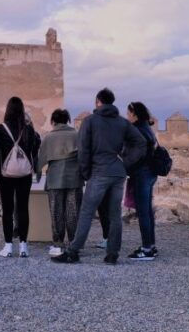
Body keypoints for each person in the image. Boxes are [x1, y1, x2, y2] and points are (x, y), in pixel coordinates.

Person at [51, 88, 146, 265]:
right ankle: (112, 254)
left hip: (99, 172)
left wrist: (86, 173)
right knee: (114, 214)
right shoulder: (122, 123)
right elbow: (141, 143)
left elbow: (84, 150)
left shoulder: (90, 121)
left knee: (86, 213)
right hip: (118, 173)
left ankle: (73, 252)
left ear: (98, 102)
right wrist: (125, 162)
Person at [0, 97, 41, 258]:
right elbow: (35, 149)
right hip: (24, 173)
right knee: (23, 209)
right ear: (22, 111)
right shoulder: (28, 130)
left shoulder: (0, 129)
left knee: (7, 210)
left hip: (6, 173)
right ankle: (23, 246)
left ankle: (8, 246)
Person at [36, 108, 82, 256]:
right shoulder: (76, 135)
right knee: (73, 212)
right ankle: (74, 243)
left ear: (53, 121)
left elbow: (41, 159)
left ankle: (58, 243)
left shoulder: (48, 137)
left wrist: (37, 174)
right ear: (67, 120)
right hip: (74, 178)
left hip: (55, 179)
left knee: (56, 212)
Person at [126, 101, 159, 260]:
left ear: (135, 114)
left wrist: (126, 164)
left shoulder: (138, 130)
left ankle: (146, 249)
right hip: (151, 173)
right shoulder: (148, 128)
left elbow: (138, 152)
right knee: (147, 211)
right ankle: (150, 245)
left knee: (143, 212)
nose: (127, 116)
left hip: (142, 174)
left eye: (128, 113)